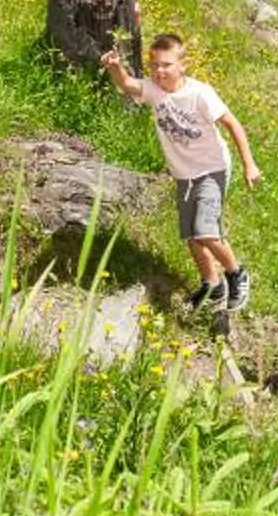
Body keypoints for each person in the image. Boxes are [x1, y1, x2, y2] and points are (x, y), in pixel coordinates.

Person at [102, 31, 261, 314]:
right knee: (191, 235)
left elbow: (233, 124)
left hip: (212, 169)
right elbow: (126, 85)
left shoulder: (200, 93)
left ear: (182, 65)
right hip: (183, 174)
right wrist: (115, 67)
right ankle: (212, 284)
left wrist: (249, 164)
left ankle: (237, 273)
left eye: (166, 65)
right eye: (154, 65)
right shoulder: (153, 89)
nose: (159, 71)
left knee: (205, 231)